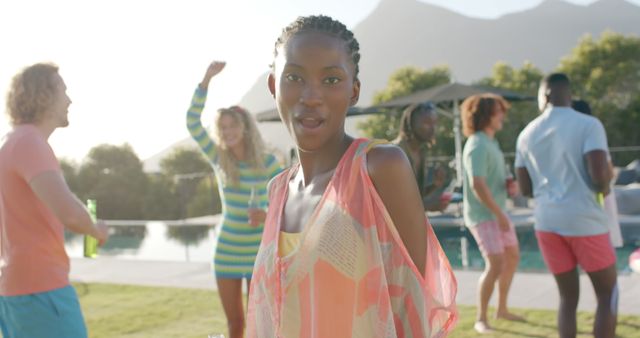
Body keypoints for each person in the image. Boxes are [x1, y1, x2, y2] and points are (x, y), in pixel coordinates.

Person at [246, 15, 457, 337]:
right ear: (274, 86)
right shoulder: (278, 190)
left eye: (330, 80)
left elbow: (415, 305)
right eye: (294, 77)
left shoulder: (379, 168)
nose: (311, 96)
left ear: (353, 91)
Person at [0, 63, 110, 337]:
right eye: (63, 90)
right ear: (44, 96)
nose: (69, 100)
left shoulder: (11, 143)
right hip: (41, 290)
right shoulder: (30, 144)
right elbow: (70, 213)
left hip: (16, 289)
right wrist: (96, 231)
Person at [515, 73, 617, 338]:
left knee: (567, 299)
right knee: (608, 295)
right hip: (585, 221)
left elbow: (525, 189)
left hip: (547, 222)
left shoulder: (526, 134)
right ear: (568, 94)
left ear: (545, 95)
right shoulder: (589, 125)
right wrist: (605, 188)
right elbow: (599, 178)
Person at [185, 61, 283, 338]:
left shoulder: (268, 164)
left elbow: (287, 201)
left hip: (258, 253)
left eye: (232, 126)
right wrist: (205, 80)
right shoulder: (220, 159)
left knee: (260, 324)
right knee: (235, 325)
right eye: (223, 127)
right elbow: (192, 122)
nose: (227, 132)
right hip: (227, 252)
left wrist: (267, 215)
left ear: (245, 127)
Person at [460, 93, 522, 334]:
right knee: (495, 264)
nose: (502, 115)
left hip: (497, 214)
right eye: (498, 111)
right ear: (485, 115)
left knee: (513, 257)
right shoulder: (476, 144)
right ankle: (481, 319)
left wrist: (509, 185)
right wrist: (499, 214)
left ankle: (502, 309)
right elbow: (477, 184)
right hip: (484, 216)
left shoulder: (491, 143)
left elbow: (494, 178)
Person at [572, 99, 623, 249]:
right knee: (603, 244)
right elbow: (609, 172)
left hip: (581, 202)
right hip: (597, 200)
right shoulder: (592, 133)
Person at [393, 102, 451, 211]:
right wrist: (429, 207)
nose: (433, 128)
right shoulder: (394, 152)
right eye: (427, 123)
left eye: (435, 123)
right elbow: (393, 200)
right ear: (411, 124)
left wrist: (435, 185)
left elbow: (416, 195)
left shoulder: (421, 152)